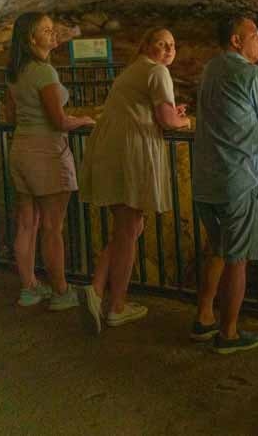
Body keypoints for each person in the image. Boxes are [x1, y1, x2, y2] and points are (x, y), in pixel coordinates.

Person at [77, 28, 191, 335]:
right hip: (131, 151)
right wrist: (186, 120)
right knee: (129, 228)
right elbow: (167, 121)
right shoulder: (157, 72)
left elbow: (148, 110)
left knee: (128, 227)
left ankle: (97, 289)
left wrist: (168, 113)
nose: (168, 49)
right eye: (161, 43)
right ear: (147, 45)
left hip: (112, 147)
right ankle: (116, 306)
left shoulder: (133, 70)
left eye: (172, 45)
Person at [3, 12, 95, 310]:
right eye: (46, 30)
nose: (53, 33)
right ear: (31, 39)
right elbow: (58, 120)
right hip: (46, 152)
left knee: (27, 224)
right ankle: (60, 292)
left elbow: (10, 116)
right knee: (53, 227)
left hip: (21, 149)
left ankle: (29, 288)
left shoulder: (16, 71)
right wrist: (84, 119)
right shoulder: (44, 73)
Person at [190, 15, 258, 354]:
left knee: (217, 248)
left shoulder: (210, 70)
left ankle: (204, 316)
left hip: (206, 177)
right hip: (239, 177)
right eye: (255, 35)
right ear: (237, 41)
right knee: (237, 258)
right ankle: (230, 332)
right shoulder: (251, 75)